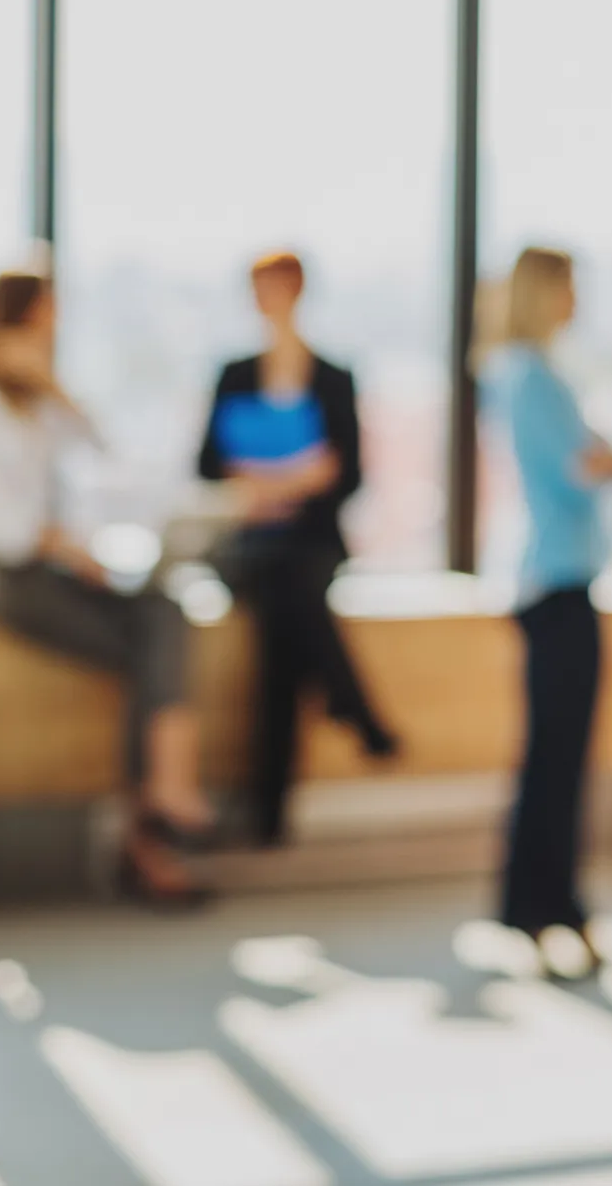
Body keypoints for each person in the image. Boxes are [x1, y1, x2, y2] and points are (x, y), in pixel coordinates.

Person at [0, 270, 213, 907]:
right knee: (153, 650)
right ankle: (153, 826)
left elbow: (104, 457)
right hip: (9, 575)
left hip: (59, 566)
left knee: (164, 617)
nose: (52, 330)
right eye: (43, 317)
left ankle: (161, 800)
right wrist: (54, 542)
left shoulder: (39, 400)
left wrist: (54, 390)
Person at [197, 251, 397, 848]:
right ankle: (349, 703)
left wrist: (278, 482)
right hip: (249, 542)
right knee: (290, 596)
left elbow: (349, 474)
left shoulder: (333, 378)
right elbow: (207, 464)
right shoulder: (234, 373)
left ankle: (269, 812)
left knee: (284, 626)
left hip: (308, 542)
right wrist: (290, 479)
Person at [479, 246, 612, 980]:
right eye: (570, 285)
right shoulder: (532, 377)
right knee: (556, 759)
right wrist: (609, 459)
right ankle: (548, 906)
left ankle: (549, 904)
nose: (578, 298)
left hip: (546, 578)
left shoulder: (516, 373)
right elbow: (577, 472)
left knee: (553, 755)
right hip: (559, 580)